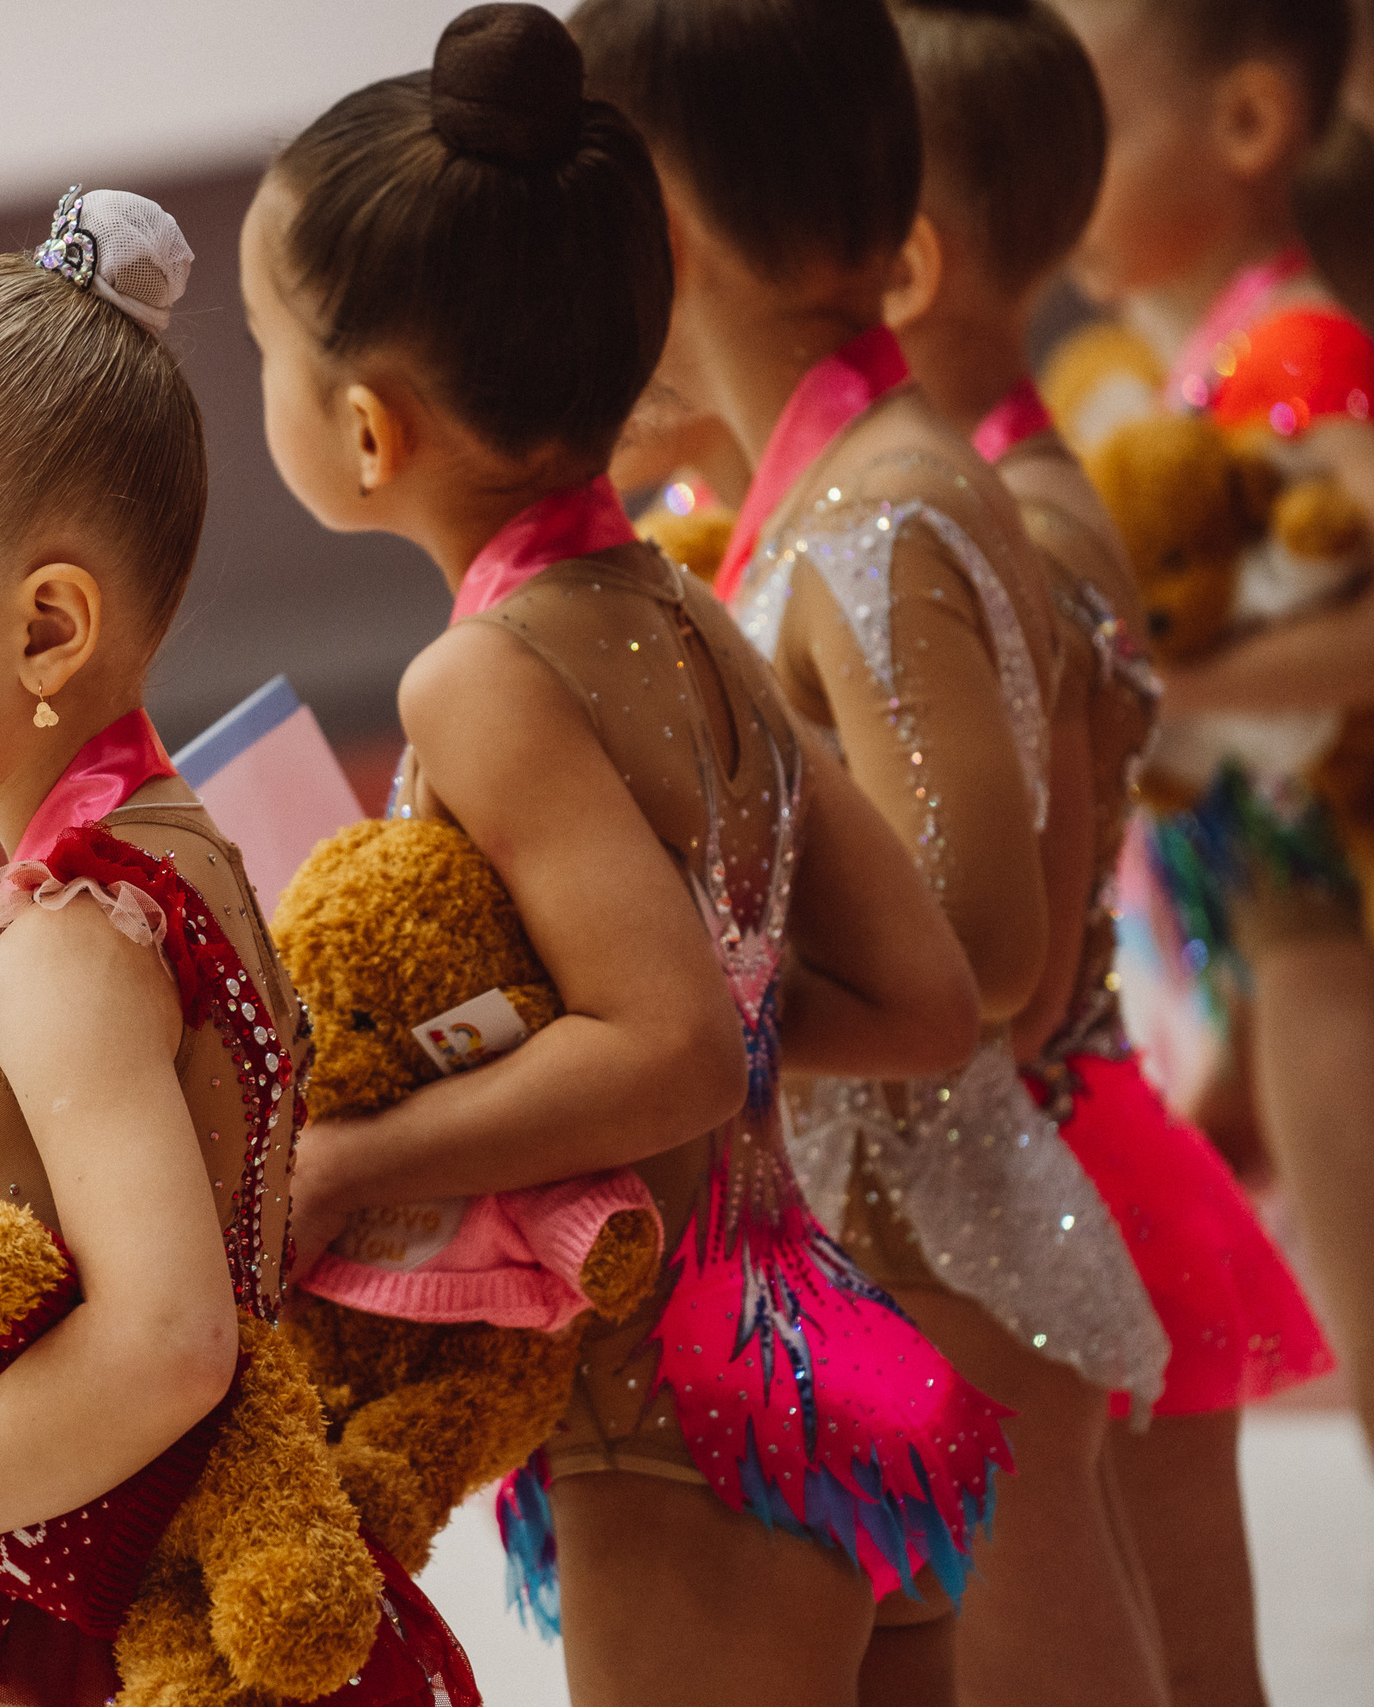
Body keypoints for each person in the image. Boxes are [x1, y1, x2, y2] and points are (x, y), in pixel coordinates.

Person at [244, 11, 1004, 1704]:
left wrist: (357, 1164)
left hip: (674, 1412)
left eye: (264, 353)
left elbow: (658, 1052)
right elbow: (923, 997)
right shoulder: (690, 609)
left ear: (367, 430)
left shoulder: (488, 669)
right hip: (827, 1375)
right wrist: (703, 1000)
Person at [0, 190, 475, 1707]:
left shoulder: (69, 944)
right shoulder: (177, 843)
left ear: (46, 629)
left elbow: (165, 1347)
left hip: (158, 1642)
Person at [571, 1, 1181, 1702]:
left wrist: (673, 1018)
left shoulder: (884, 513)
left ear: (663, 230)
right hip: (901, 1250)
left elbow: (990, 953)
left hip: (955, 1263)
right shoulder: (839, 484)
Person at [884, 6, 1339, 1702]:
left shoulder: (1019, 489)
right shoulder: (1067, 433)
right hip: (1207, 970)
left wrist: (1180, 684)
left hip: (1293, 932)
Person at [1059, 0, 1374, 1450]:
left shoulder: (1299, 350)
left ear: (1248, 126)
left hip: (1326, 929)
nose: (1051, 175)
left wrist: (1164, 686)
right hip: (1258, 925)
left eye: (1089, 132)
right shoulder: (1196, 360)